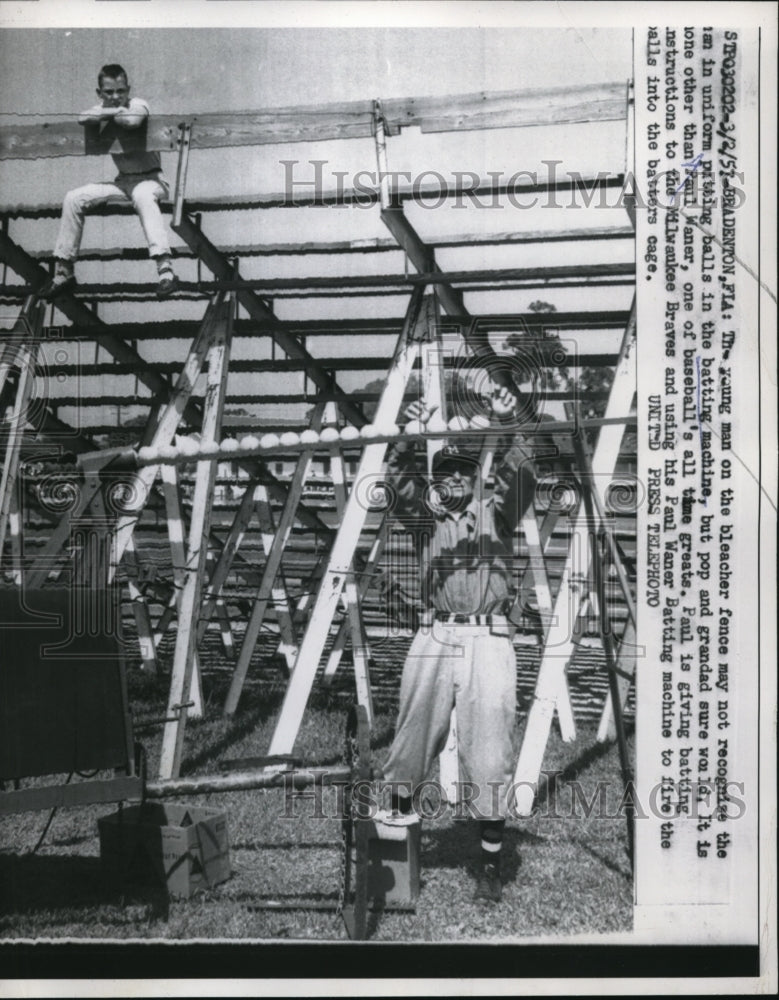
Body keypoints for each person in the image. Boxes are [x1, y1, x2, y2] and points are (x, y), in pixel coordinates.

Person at [377, 375, 543, 904]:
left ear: (473, 479)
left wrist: (511, 415)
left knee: (491, 757)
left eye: (458, 474)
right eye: (442, 474)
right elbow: (397, 480)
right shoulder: (427, 521)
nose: (449, 482)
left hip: (489, 641)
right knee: (407, 748)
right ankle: (394, 869)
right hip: (433, 636)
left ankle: (490, 869)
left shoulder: (498, 513)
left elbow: (522, 469)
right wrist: (408, 428)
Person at [38, 64, 179, 301]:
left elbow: (133, 121)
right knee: (74, 197)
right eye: (109, 92)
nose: (116, 97)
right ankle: (63, 272)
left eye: (120, 91)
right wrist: (107, 111)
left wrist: (107, 111)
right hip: (123, 183)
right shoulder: (102, 109)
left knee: (143, 196)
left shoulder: (138, 104)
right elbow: (83, 118)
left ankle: (165, 271)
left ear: (128, 90)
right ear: (100, 93)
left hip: (151, 179)